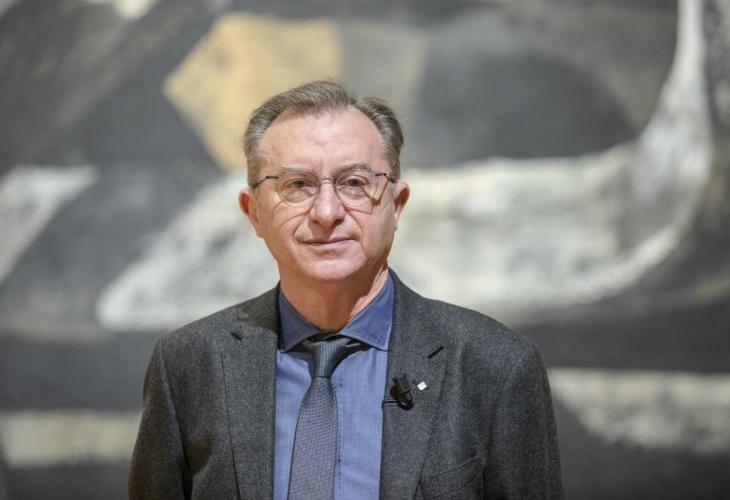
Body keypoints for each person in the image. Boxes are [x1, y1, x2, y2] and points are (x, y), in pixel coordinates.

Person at [128, 80, 564, 500]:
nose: (326, 212)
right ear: (254, 211)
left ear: (396, 205)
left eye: (354, 183)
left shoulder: (497, 367)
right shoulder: (187, 364)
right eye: (297, 185)